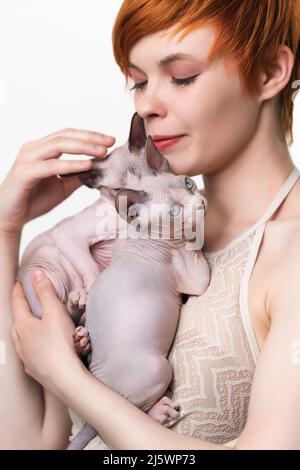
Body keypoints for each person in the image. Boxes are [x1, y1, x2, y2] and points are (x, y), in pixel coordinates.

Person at [0, 0, 300, 450]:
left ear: (269, 73)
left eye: (182, 76)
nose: (147, 105)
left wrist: (67, 377)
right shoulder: (127, 232)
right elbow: (29, 443)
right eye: (138, 82)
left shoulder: (291, 252)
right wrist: (6, 230)